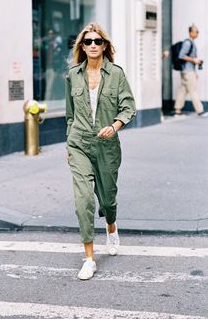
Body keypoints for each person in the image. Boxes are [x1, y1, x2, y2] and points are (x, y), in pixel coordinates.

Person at [65, 22, 136, 280]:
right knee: (83, 200)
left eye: (97, 41)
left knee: (107, 199)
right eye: (88, 42)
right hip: (79, 144)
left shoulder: (116, 74)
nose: (92, 45)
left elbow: (128, 107)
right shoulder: (73, 75)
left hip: (106, 146)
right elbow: (69, 114)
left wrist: (115, 126)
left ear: (104, 45)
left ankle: (111, 225)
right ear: (82, 47)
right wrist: (69, 142)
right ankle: (89, 258)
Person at [174, 25, 206, 116]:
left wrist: (195, 71)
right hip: (188, 71)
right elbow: (181, 55)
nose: (197, 33)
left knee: (183, 90)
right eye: (196, 31)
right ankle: (200, 111)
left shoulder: (191, 43)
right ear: (191, 32)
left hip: (187, 70)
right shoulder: (188, 43)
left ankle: (177, 110)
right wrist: (194, 60)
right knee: (193, 90)